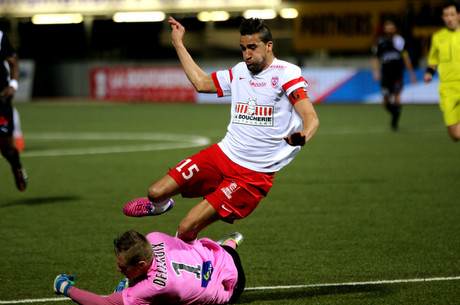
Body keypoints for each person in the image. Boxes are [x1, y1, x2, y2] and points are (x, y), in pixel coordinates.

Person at [123, 17, 320, 241]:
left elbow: (311, 117)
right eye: (243, 48)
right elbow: (201, 83)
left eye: (252, 48)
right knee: (155, 193)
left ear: (269, 46)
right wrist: (178, 42)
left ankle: (211, 260)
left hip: (251, 176)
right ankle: (160, 207)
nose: (247, 54)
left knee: (186, 228)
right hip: (222, 155)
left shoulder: (286, 73)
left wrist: (302, 135)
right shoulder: (239, 72)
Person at [54, 231, 245, 305]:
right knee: (216, 249)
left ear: (141, 265)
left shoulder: (156, 286)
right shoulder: (154, 238)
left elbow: (105, 304)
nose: (118, 270)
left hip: (231, 286)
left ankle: (231, 242)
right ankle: (230, 242)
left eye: (123, 267)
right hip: (217, 255)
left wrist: (66, 288)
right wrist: (130, 282)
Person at [423, 1, 460, 142]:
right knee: (455, 135)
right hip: (447, 88)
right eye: (446, 15)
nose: (449, 18)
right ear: (443, 18)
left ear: (458, 16)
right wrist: (429, 73)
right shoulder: (438, 37)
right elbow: (433, 60)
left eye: (452, 14)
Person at [371, 20, 417, 130]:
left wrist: (412, 73)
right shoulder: (381, 43)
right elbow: (375, 58)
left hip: (397, 74)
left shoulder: (400, 41)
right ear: (385, 30)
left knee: (396, 98)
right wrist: (376, 71)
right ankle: (396, 113)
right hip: (386, 75)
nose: (390, 30)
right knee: (385, 100)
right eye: (388, 28)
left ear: (395, 29)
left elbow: (405, 57)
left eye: (391, 28)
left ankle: (394, 123)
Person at [0, 29, 27, 190]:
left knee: (6, 147)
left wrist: (13, 85)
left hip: (0, 100)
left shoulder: (0, 36)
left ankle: (16, 166)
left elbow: (13, 62)